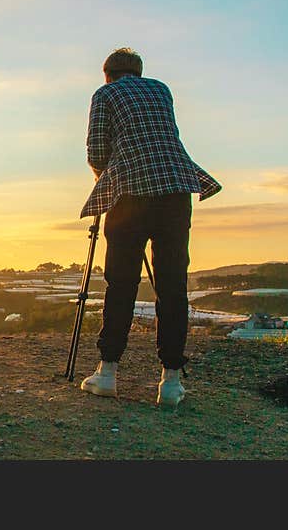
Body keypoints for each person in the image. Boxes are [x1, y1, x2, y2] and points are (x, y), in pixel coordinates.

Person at [79, 47, 221, 407]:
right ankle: (170, 382)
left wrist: (105, 181)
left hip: (131, 194)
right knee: (172, 284)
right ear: (139, 73)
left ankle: (107, 372)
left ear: (108, 74)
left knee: (121, 283)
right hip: (176, 189)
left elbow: (97, 151)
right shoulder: (161, 89)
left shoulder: (106, 94)